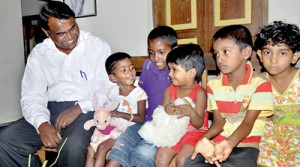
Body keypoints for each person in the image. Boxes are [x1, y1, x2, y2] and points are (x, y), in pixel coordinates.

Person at [0, 1, 112, 167]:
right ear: (47, 32)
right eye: (61, 33)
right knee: (6, 140)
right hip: (50, 111)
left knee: (73, 146)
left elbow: (109, 89)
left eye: (73, 27)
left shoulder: (97, 47)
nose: (70, 36)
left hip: (88, 111)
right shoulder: (39, 54)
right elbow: (32, 95)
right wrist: (42, 123)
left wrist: (78, 108)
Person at [184, 25, 274, 167]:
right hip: (219, 142)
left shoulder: (260, 84)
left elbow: (247, 123)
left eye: (226, 52)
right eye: (216, 53)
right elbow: (219, 122)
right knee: (190, 163)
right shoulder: (213, 85)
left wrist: (229, 143)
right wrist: (204, 139)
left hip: (247, 144)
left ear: (246, 52)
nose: (220, 59)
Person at [106, 26, 177, 167]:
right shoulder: (148, 65)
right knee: (119, 149)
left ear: (174, 50)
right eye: (151, 52)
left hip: (162, 127)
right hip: (142, 121)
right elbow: (139, 92)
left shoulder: (178, 71)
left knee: (141, 154)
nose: (156, 58)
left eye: (161, 52)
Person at [85, 52, 147, 167]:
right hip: (109, 127)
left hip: (124, 130)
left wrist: (120, 114)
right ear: (113, 77)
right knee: (90, 149)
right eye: (123, 70)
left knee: (102, 148)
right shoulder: (112, 92)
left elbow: (141, 118)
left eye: (131, 68)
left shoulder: (139, 94)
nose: (130, 72)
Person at [253, 21, 300, 166]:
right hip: (271, 139)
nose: (273, 60)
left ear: (295, 56)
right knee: (260, 158)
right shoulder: (257, 82)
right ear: (260, 55)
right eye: (268, 52)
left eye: (282, 53)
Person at [155, 44, 207, 167]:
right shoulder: (169, 90)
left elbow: (199, 123)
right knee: (160, 156)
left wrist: (191, 112)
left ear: (191, 73)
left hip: (194, 133)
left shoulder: (200, 93)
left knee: (183, 159)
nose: (170, 74)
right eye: (170, 70)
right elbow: (162, 111)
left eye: (174, 70)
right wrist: (168, 109)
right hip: (174, 132)